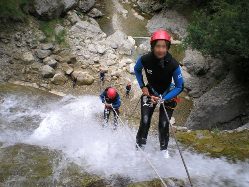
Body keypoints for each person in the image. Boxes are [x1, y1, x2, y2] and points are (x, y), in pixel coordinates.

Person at [134, 29, 184, 158]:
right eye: (158, 46)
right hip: (151, 92)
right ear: (153, 46)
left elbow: (180, 86)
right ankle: (140, 147)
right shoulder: (145, 59)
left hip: (168, 94)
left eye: (164, 47)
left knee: (164, 123)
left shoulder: (173, 64)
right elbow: (137, 70)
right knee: (145, 120)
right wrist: (142, 87)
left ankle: (164, 151)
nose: (161, 50)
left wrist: (164, 99)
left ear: (167, 47)